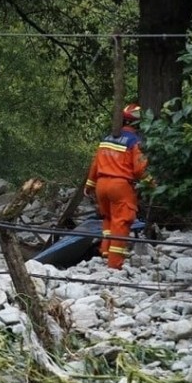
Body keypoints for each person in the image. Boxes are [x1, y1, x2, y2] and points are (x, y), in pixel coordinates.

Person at [84, 103, 152, 270]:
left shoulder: (106, 139)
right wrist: (152, 183)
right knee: (121, 222)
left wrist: (90, 184)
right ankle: (115, 265)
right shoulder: (135, 142)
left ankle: (105, 252)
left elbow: (95, 164)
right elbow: (139, 169)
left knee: (108, 218)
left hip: (101, 185)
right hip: (120, 186)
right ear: (138, 124)